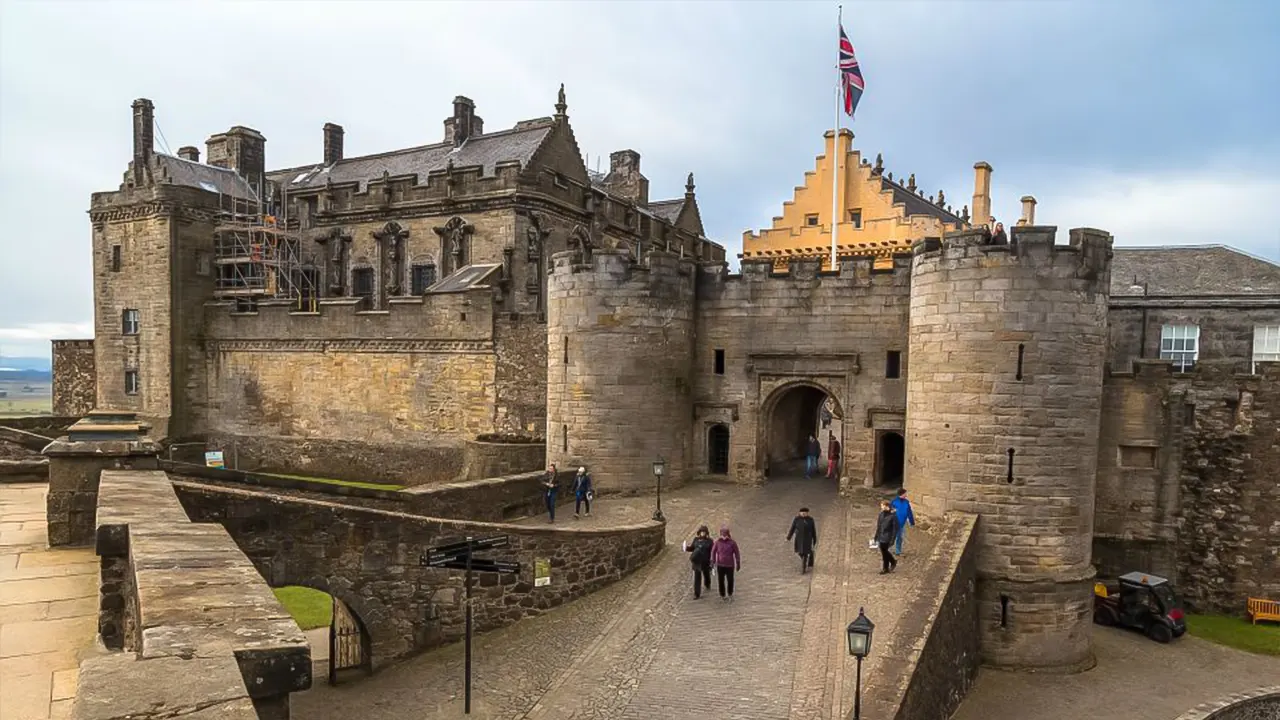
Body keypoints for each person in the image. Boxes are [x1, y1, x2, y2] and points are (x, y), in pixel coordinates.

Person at [711, 525, 741, 601]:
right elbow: (713, 552)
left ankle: (730, 594)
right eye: (722, 535)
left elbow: (737, 553)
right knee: (721, 581)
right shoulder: (717, 542)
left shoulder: (732, 543)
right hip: (720, 565)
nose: (724, 537)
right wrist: (713, 562)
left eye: (725, 535)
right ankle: (722, 595)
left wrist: (738, 563)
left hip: (730, 565)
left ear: (728, 535)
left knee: (730, 580)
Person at [684, 525, 714, 599]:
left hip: (705, 561)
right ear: (699, 532)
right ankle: (697, 594)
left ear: (706, 533)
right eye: (701, 532)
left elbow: (712, 551)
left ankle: (707, 584)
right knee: (697, 578)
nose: (702, 533)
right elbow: (692, 548)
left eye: (704, 532)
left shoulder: (710, 541)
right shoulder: (696, 539)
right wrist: (686, 548)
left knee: (706, 573)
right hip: (697, 562)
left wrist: (712, 561)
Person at [787, 507, 818, 573]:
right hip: (799, 538)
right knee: (800, 552)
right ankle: (804, 559)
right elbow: (792, 528)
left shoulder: (810, 520)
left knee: (805, 553)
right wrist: (789, 537)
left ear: (807, 513)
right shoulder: (797, 519)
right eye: (802, 513)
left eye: (805, 513)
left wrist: (814, 539)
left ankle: (803, 567)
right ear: (800, 513)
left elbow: (813, 530)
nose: (803, 514)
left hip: (807, 538)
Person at [875, 500, 900, 574]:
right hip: (881, 535)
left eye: (882, 505)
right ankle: (892, 562)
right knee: (884, 551)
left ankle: (886, 567)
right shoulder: (881, 514)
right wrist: (876, 535)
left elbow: (895, 529)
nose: (881, 507)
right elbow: (879, 526)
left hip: (887, 536)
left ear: (887, 506)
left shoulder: (893, 516)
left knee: (884, 551)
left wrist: (892, 540)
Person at [890, 487, 916, 556]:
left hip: (901, 524)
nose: (906, 495)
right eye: (905, 494)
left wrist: (912, 522)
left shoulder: (906, 502)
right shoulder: (894, 502)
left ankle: (898, 551)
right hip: (894, 523)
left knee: (900, 537)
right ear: (901, 494)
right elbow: (889, 512)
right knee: (892, 536)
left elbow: (909, 512)